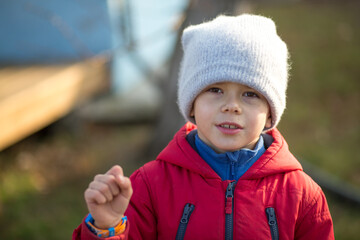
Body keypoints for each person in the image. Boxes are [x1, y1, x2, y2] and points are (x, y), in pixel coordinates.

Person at [73, 14, 334, 239]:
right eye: (215, 89)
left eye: (250, 94)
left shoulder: (302, 195)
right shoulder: (151, 186)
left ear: (270, 114)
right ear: (192, 106)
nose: (232, 106)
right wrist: (106, 227)